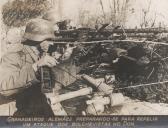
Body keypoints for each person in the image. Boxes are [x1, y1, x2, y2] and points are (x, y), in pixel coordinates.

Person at [0, 18, 62, 116]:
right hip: (17, 110)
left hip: (36, 105)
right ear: (38, 39)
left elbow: (52, 85)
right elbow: (3, 88)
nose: (52, 44)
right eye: (49, 40)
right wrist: (35, 67)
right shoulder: (13, 56)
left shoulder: (40, 54)